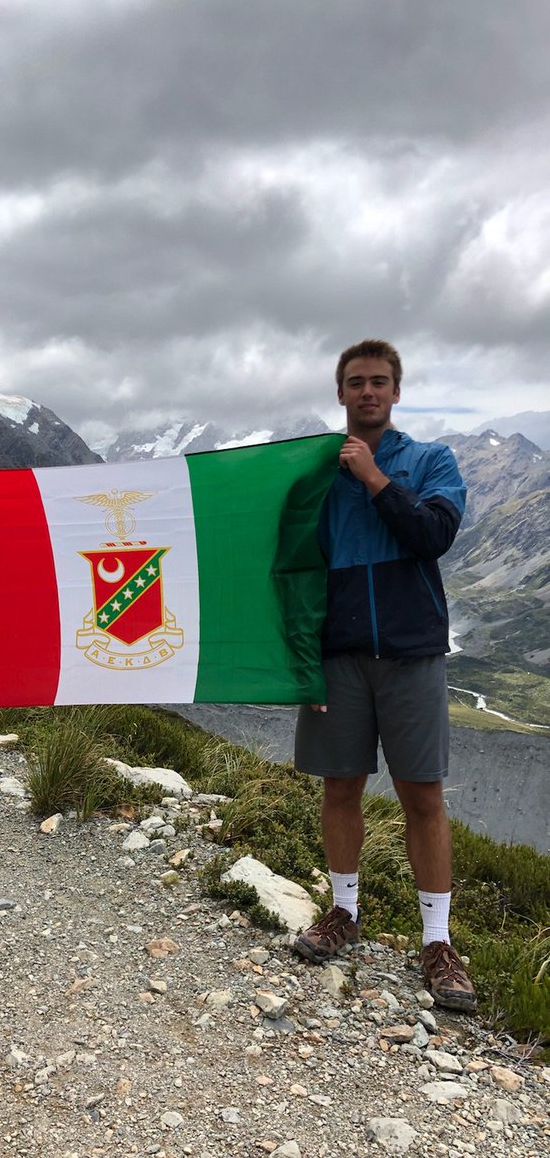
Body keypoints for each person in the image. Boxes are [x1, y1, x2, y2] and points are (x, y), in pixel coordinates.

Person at [292, 339, 476, 1012]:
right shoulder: (314, 476)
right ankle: (342, 912)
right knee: (340, 788)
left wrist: (374, 478)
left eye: (379, 382)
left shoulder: (431, 461)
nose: (368, 392)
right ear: (339, 394)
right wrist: (302, 660)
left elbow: (432, 535)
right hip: (339, 657)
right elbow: (296, 572)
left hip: (411, 655)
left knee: (422, 796)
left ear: (396, 392)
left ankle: (437, 942)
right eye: (355, 382)